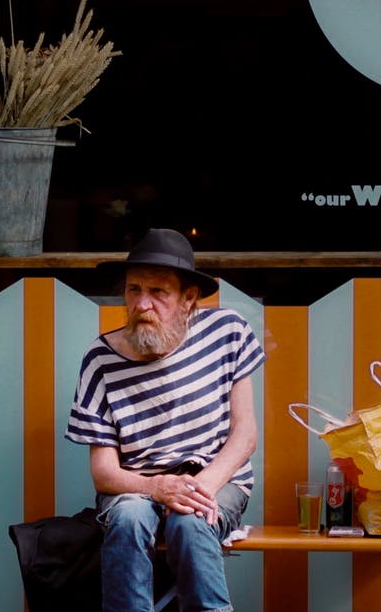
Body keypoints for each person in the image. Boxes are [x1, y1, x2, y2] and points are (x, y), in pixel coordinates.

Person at [65, 227, 265, 612]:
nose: (142, 304)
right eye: (134, 290)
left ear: (188, 299)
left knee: (189, 523)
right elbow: (104, 472)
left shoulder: (229, 332)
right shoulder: (100, 359)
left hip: (215, 478)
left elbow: (245, 435)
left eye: (158, 292)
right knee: (128, 518)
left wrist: (198, 488)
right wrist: (157, 487)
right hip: (134, 484)